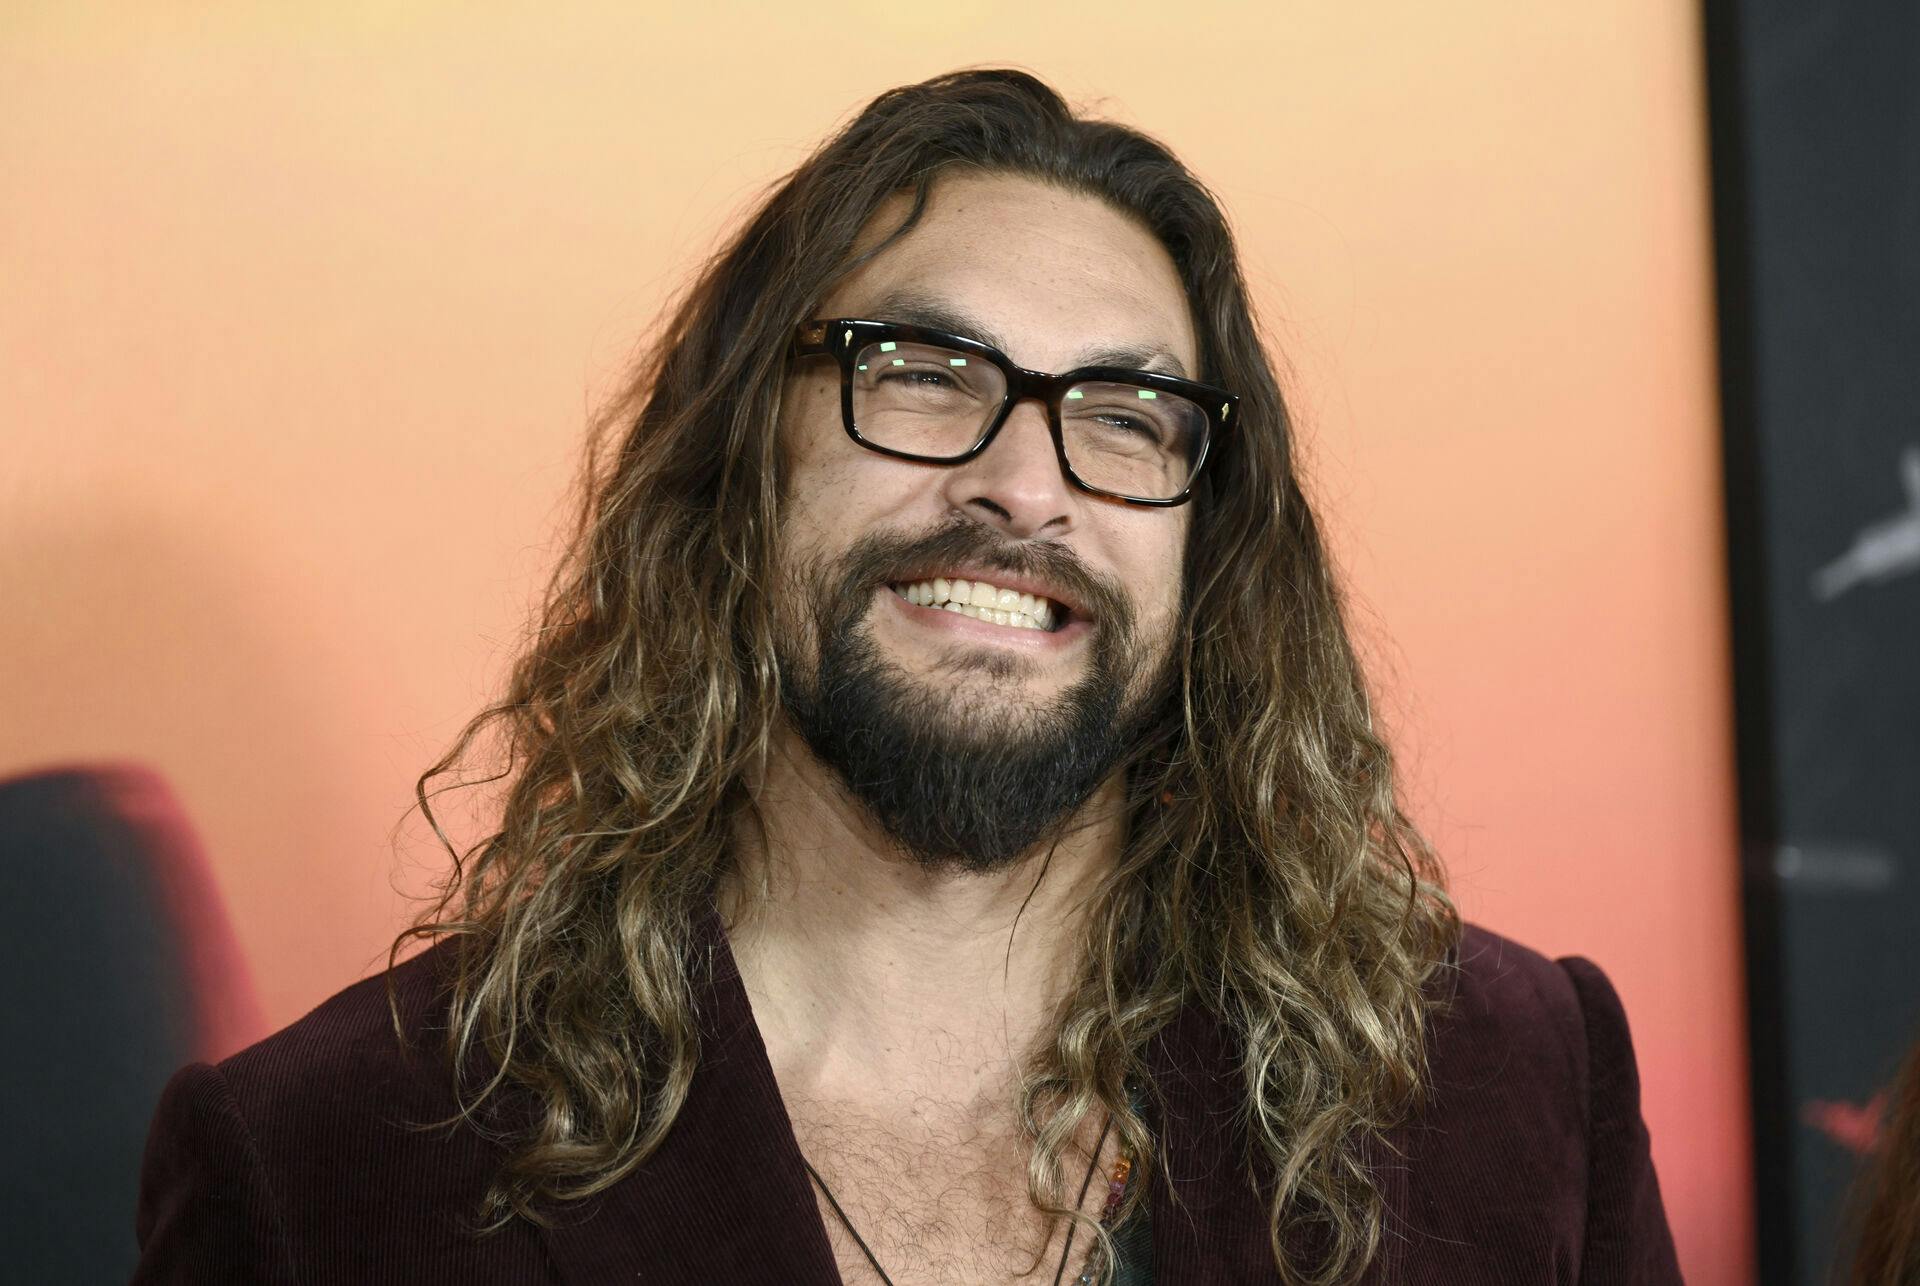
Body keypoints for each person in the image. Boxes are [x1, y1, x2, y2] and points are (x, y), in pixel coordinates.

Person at [131, 69, 1682, 1285]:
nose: (1026, 483)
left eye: (1130, 416)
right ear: (742, 465)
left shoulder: (1513, 1086)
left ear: (1212, 550)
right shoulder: (323, 1164)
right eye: (924, 377)